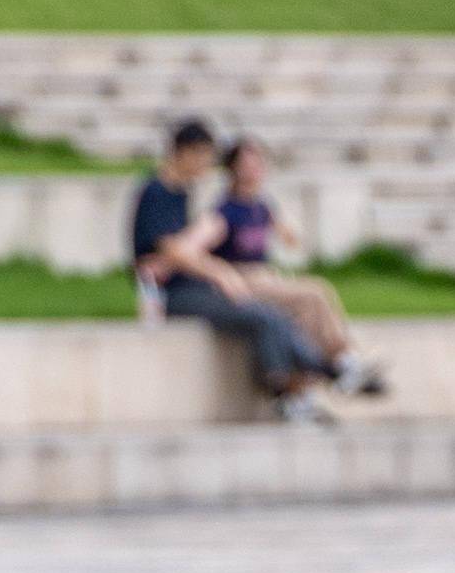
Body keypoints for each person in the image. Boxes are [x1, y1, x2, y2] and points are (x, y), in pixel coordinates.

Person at [131, 117, 332, 424]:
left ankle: (311, 376)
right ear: (185, 152)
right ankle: (312, 375)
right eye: (203, 156)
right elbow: (172, 250)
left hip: (191, 285)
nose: (207, 165)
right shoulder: (157, 192)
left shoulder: (181, 193)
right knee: (261, 315)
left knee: (268, 311)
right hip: (171, 293)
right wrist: (220, 273)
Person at [216, 138, 387, 397]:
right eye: (248, 164)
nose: (255, 170)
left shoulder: (261, 206)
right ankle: (343, 360)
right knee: (315, 291)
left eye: (258, 164)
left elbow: (288, 236)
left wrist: (287, 233)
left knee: (307, 313)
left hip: (265, 277)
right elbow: (204, 242)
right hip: (243, 279)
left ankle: (308, 384)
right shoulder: (226, 210)